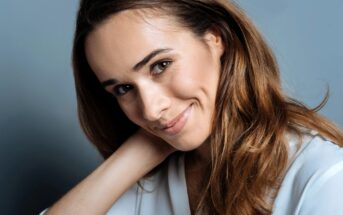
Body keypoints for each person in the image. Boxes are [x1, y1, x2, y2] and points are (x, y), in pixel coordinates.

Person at [40, 0, 343, 214]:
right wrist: (138, 153)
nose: (150, 109)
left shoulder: (321, 176)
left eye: (160, 65)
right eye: (123, 89)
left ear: (216, 38)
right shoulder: (149, 185)